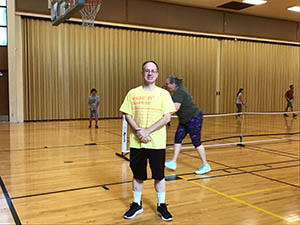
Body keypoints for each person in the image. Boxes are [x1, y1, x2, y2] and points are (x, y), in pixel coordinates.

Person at [120, 61, 176, 221]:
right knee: (138, 175)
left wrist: (147, 131)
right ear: (142, 73)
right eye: (147, 70)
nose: (150, 73)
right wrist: (139, 132)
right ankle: (136, 204)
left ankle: (161, 205)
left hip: (156, 143)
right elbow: (128, 115)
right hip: (137, 143)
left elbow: (167, 118)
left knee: (159, 175)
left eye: (153, 71)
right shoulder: (132, 93)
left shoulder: (163, 94)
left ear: (157, 74)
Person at [164, 75, 211, 175]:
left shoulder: (179, 92)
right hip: (184, 120)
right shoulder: (178, 91)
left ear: (173, 84)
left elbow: (175, 108)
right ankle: (173, 161)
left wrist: (163, 114)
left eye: (168, 84)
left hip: (193, 118)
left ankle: (206, 165)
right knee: (178, 138)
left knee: (196, 142)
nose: (167, 85)